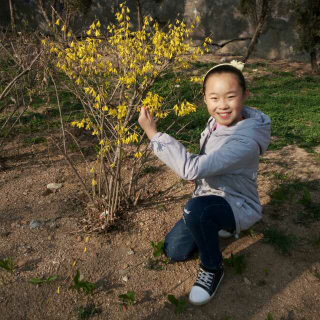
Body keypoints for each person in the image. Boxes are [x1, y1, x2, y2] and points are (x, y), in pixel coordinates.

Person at [138, 61, 271, 306]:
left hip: (236, 203)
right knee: (174, 251)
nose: (222, 105)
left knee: (196, 211)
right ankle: (213, 226)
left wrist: (153, 134)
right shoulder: (217, 122)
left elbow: (191, 166)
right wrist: (199, 173)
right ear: (205, 99)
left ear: (245, 95)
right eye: (214, 98)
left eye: (231, 97)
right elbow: (207, 162)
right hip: (210, 195)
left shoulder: (245, 141)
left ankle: (213, 268)